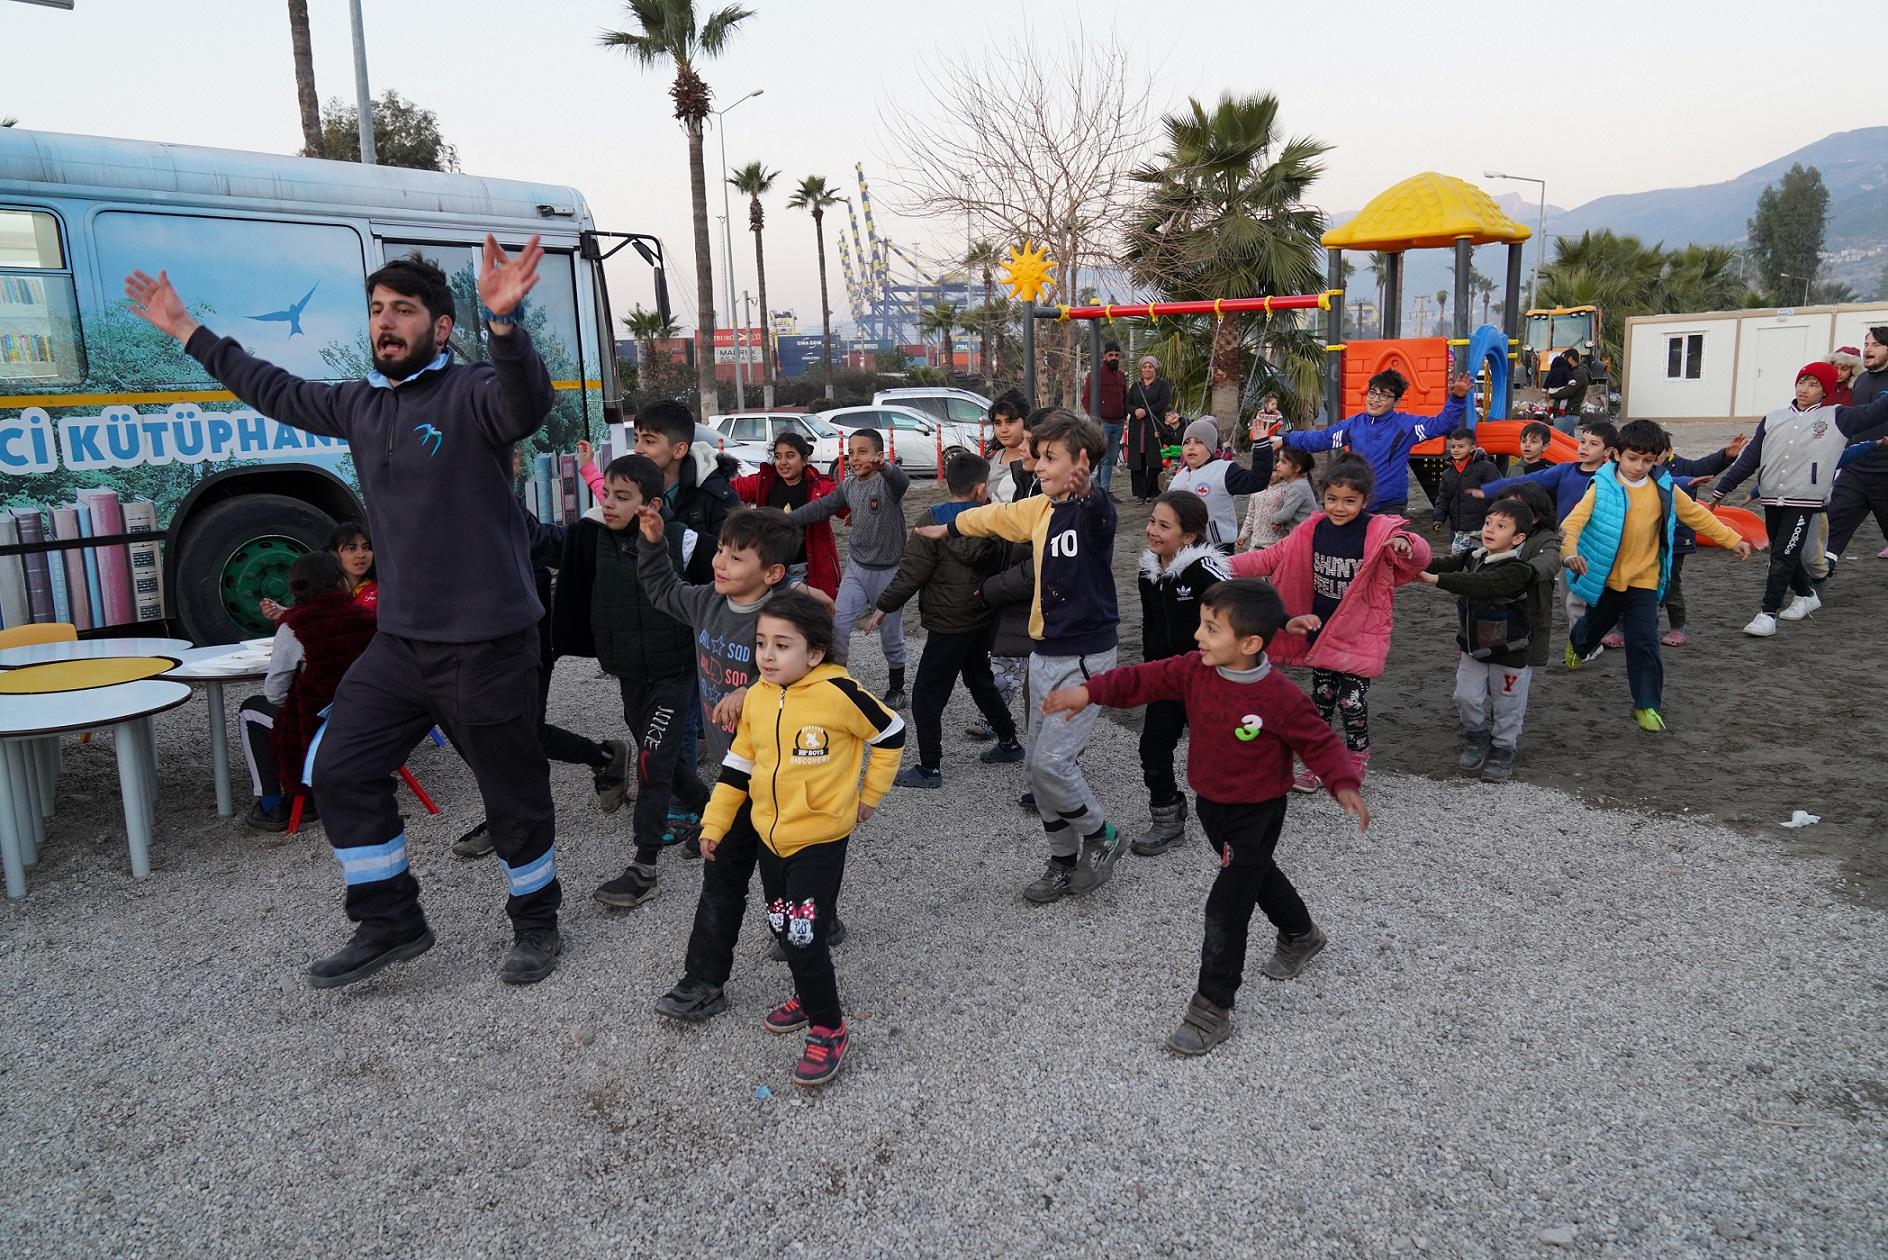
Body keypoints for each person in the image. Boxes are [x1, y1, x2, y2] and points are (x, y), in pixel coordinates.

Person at [128, 239, 567, 987]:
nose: (385, 323)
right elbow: (270, 387)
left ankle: (537, 923)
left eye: (403, 310)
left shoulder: (470, 394)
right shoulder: (359, 403)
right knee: (337, 768)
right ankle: (390, 920)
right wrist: (185, 330)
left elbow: (526, 403)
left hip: (487, 641)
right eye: (375, 311)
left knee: (512, 794)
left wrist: (506, 326)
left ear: (440, 326)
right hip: (399, 642)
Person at [1041, 579, 1366, 1057]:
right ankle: (1301, 933)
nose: (1198, 636)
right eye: (1201, 624)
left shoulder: (1278, 697)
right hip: (1211, 802)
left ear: (1250, 643)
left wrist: (1341, 783)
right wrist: (1089, 692)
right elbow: (1142, 679)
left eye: (1211, 629)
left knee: (1226, 903)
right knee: (1254, 872)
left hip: (1257, 809)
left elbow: (1318, 740)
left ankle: (1212, 1007)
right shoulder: (1195, 670)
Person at [644, 507, 855, 1022]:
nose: (720, 562)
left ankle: (816, 924)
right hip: (737, 773)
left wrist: (759, 689)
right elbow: (662, 590)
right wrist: (653, 544)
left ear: (772, 573)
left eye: (736, 557)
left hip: (788, 781)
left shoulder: (786, 617)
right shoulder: (708, 601)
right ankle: (703, 981)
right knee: (724, 875)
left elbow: (829, 669)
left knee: (783, 871)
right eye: (721, 551)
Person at [694, 590, 904, 1088]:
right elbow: (737, 767)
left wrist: (869, 796)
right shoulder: (758, 699)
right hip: (772, 840)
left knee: (804, 936)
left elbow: (891, 733)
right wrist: (714, 824)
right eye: (762, 642)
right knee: (784, 928)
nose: (767, 655)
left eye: (782, 645)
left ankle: (828, 1025)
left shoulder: (838, 693)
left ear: (814, 653)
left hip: (819, 841)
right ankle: (808, 995)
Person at [918, 409, 1123, 902]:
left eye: (1050, 458)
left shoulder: (1095, 511)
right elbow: (997, 517)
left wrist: (1088, 489)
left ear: (1082, 463)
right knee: (1036, 767)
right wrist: (951, 528)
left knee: (1054, 763)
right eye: (1038, 457)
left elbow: (1098, 511)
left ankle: (1102, 834)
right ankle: (1061, 861)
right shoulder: (1041, 510)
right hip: (1046, 654)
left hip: (1085, 657)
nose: (1037, 467)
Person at [545, 452, 708, 907]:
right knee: (665, 759)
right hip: (629, 674)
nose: (609, 504)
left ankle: (644, 866)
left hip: (675, 674)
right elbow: (542, 544)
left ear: (651, 504)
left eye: (622, 497)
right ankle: (717, 812)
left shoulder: (683, 539)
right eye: (606, 495)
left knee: (653, 763)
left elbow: (737, 566)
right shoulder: (591, 540)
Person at [456, 442, 630, 860]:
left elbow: (542, 544)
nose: (513, 462)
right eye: (506, 454)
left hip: (524, 633)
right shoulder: (466, 497)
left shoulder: (498, 500)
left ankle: (603, 758)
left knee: (522, 727)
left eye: (514, 455)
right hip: (474, 635)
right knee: (490, 729)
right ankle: (597, 761)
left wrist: (592, 526)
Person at [1228, 457, 1430, 788]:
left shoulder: (1378, 532)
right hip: (1321, 631)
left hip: (1359, 632)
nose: (1339, 507)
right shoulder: (1311, 529)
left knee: (1352, 702)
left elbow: (1418, 555)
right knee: (1321, 699)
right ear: (1322, 496)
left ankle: (1356, 757)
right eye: (1333, 499)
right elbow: (1268, 558)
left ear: (1365, 501)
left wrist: (1406, 544)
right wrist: (1218, 565)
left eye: (1350, 501)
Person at [1562, 419, 1753, 731]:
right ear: (1616, 455)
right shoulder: (1601, 487)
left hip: (1645, 580)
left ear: (1658, 459)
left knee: (1645, 642)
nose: (1639, 467)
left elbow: (1698, 516)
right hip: (1609, 579)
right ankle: (1578, 645)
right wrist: (1569, 552)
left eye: (1647, 461)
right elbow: (1572, 524)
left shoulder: (1664, 487)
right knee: (1594, 625)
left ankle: (1647, 704)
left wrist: (1733, 539)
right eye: (1632, 459)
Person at [866, 452, 1021, 784]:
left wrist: (884, 605)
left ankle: (929, 768)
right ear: (982, 487)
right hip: (980, 617)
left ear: (948, 482)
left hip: (947, 623)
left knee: (926, 695)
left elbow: (912, 573)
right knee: (980, 680)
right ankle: (1009, 741)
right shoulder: (993, 519)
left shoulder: (932, 520)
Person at [1710, 361, 1888, 637]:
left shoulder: (1837, 417)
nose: (1805, 389)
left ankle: (1767, 614)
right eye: (1802, 382)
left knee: (1783, 555)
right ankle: (1806, 594)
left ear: (1825, 391)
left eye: (1814, 384)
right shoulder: (1773, 418)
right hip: (1772, 499)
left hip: (1805, 500)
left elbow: (1875, 413)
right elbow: (1751, 458)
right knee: (1782, 552)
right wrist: (1724, 487)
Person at [238, 551, 379, 832]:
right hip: (369, 724)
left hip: (318, 730)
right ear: (340, 581)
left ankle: (270, 804)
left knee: (251, 711)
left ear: (295, 587)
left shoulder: (294, 626)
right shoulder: (366, 618)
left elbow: (274, 693)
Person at [1127, 490, 1230, 856]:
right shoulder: (1148, 571)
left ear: (1189, 536)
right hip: (1167, 677)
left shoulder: (1204, 571)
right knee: (1152, 746)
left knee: (1219, 749)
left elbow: (1234, 616)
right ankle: (1168, 817)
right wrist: (1148, 671)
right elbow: (1149, 624)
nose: (1152, 530)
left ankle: (1241, 810)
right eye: (1152, 521)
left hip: (1207, 678)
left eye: (1164, 525)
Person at [1416, 497, 1539, 783]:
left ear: (1518, 537)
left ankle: (1503, 749)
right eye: (1488, 523)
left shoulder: (1519, 570)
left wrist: (1435, 581)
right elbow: (1441, 563)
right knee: (1465, 697)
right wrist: (1410, 562)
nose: (1490, 529)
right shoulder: (1473, 556)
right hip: (1473, 648)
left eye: (1500, 526)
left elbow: (1482, 585)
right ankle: (1476, 736)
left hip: (1510, 653)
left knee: (1508, 706)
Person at [790, 428, 912, 707]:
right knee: (838, 625)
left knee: (891, 635)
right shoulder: (849, 485)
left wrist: (886, 468)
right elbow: (822, 508)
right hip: (857, 568)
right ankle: (836, 681)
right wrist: (788, 520)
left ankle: (897, 687)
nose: (855, 458)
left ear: (879, 455)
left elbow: (901, 482)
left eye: (862, 452)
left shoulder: (886, 483)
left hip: (889, 571)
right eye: (851, 452)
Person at [1476, 419, 1620, 630]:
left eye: (1593, 444)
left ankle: (1602, 634)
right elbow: (1527, 481)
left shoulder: (1612, 477)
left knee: (1606, 590)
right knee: (1568, 594)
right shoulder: (1565, 470)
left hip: (1601, 542)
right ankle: (1581, 640)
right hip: (1568, 540)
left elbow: (1654, 483)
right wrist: (1489, 490)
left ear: (1608, 450)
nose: (1584, 447)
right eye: (1582, 441)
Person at [1271, 370, 1470, 514]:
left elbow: (1442, 425)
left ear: (1396, 402)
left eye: (1384, 395)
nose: (1375, 399)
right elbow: (1320, 439)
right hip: (1358, 499)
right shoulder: (1354, 424)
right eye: (1373, 393)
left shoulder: (1406, 425)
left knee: (1385, 557)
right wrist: (1285, 438)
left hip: (1390, 504)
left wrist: (1457, 399)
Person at [973, 389, 1036, 734]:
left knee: (1012, 638)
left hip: (1020, 552)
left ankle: (996, 713)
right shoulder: (991, 458)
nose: (1003, 428)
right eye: (997, 422)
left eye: (1011, 421)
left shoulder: (1035, 463)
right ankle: (996, 708)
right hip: (992, 550)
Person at [634, 401, 742, 586]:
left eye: (649, 441)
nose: (638, 449)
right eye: (636, 439)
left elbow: (738, 557)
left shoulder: (716, 496)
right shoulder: (633, 490)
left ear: (678, 450)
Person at [731, 431, 839, 598]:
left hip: (805, 566)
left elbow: (843, 502)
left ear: (804, 460)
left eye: (790, 456)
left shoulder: (819, 487)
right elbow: (736, 487)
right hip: (770, 564)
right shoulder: (765, 481)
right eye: (778, 457)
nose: (783, 463)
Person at [1823, 327, 1888, 576]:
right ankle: (1812, 589)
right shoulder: (1861, 380)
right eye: (1866, 343)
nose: (1868, 349)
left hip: (1885, 473)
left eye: (1876, 344)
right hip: (1855, 470)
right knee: (1833, 529)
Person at [1166, 417, 1277, 552]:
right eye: (1187, 443)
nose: (1191, 447)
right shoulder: (1179, 476)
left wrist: (1261, 446)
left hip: (1217, 548)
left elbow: (1257, 481)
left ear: (1211, 447)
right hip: (1182, 547)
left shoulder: (1224, 470)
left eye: (1199, 442)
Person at [259, 520, 377, 622]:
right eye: (351, 548)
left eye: (366, 547)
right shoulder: (322, 590)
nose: (361, 554)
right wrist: (285, 613)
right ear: (334, 554)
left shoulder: (383, 590)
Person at [1236, 446, 1318, 552]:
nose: (1278, 465)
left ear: (1297, 468)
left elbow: (1287, 513)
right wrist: (1243, 535)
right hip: (1257, 541)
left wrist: (1276, 521)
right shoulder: (1258, 490)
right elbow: (1251, 515)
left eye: (1282, 462)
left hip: (1288, 540)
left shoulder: (1294, 487)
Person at [1432, 430, 1500, 555]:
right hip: (1459, 528)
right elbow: (1443, 498)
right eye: (1453, 446)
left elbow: (1497, 493)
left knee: (1482, 560)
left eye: (1461, 446)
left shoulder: (1486, 468)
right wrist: (1438, 518)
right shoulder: (1448, 473)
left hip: (1482, 528)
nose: (1456, 450)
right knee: (1458, 559)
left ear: (1472, 447)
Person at [1124, 355, 1176, 503]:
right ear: (1141, 369)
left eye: (1150, 367)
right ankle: (1140, 494)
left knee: (1154, 460)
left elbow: (1163, 402)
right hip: (1136, 428)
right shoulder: (1135, 386)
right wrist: (1135, 411)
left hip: (1153, 427)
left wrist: (1145, 411)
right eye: (1145, 367)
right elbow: (1128, 404)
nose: (1147, 369)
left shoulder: (1162, 385)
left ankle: (1154, 492)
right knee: (1137, 461)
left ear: (1155, 369)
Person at [1081, 340, 1129, 494]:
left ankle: (1104, 490)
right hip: (1103, 422)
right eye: (1111, 355)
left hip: (1118, 423)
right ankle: (1097, 490)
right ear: (1104, 356)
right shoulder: (1095, 374)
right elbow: (1086, 399)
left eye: (1116, 355)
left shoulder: (1121, 376)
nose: (1114, 358)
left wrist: (1124, 415)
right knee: (1100, 457)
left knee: (1110, 459)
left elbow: (1125, 397)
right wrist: (1095, 419)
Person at [1547, 348, 1591, 426]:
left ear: (1570, 359)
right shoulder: (1571, 372)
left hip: (1567, 415)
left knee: (1557, 438)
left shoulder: (1579, 374)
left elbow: (1568, 391)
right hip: (1564, 415)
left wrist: (1551, 394)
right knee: (1568, 438)